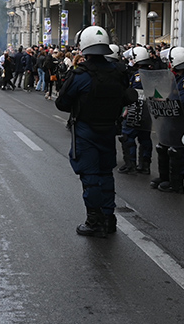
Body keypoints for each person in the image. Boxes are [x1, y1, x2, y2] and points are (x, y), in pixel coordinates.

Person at [56, 26, 134, 237]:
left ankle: (94, 220)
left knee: (90, 176)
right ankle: (109, 218)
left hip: (86, 130)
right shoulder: (118, 72)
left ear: (84, 47)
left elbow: (62, 103)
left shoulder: (80, 75)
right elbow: (127, 96)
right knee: (106, 173)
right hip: (109, 128)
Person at [153, 46, 184, 194]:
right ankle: (164, 178)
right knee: (163, 147)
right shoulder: (175, 77)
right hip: (168, 119)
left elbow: (182, 103)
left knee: (176, 151)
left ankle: (176, 183)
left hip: (180, 121)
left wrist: (165, 104)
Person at [120, 47, 154, 175]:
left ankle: (131, 163)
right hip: (148, 112)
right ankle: (145, 165)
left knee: (127, 136)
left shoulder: (138, 75)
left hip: (136, 110)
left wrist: (127, 109)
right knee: (145, 138)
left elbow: (135, 94)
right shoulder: (153, 73)